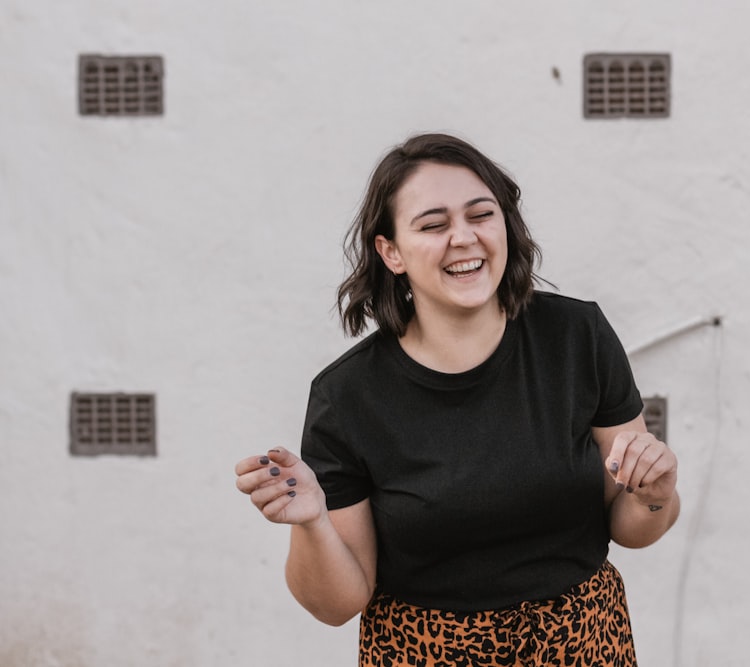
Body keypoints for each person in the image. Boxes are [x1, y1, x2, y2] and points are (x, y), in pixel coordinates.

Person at [234, 133, 680, 666]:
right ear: (391, 251)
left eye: (480, 215)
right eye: (433, 225)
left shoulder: (576, 337)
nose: (463, 238)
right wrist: (311, 522)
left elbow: (633, 527)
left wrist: (655, 492)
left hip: (584, 648)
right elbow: (337, 605)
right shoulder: (346, 397)